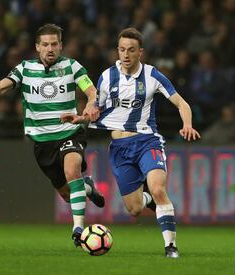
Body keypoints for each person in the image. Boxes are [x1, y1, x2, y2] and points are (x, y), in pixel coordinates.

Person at [61, 27, 201, 258]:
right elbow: (97, 110)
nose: (126, 55)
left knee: (157, 188)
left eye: (131, 50)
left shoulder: (153, 75)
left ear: (140, 53)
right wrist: (81, 117)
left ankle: (171, 247)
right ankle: (152, 201)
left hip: (147, 141)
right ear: (117, 50)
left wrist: (187, 124)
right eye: (122, 49)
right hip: (119, 148)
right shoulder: (106, 77)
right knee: (135, 208)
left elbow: (182, 103)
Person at [0, 23, 104, 247]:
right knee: (69, 194)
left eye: (54, 44)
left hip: (69, 131)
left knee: (72, 169)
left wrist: (90, 103)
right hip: (42, 143)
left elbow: (91, 90)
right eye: (45, 45)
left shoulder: (71, 66)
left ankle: (78, 229)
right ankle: (87, 186)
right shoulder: (24, 68)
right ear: (37, 47)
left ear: (61, 46)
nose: (50, 49)